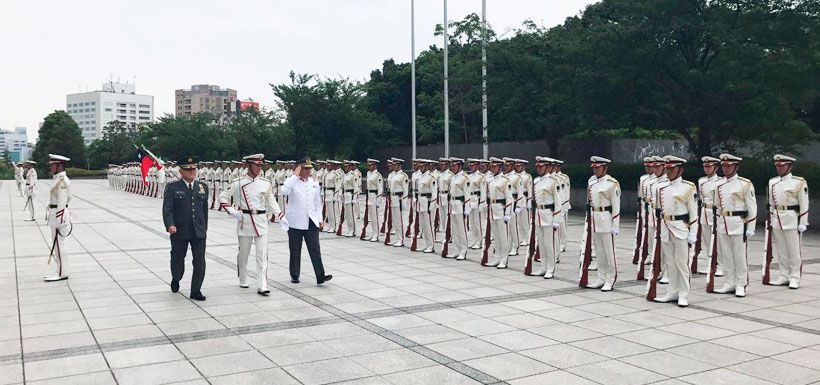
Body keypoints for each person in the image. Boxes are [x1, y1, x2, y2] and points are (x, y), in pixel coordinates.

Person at [218, 154, 282, 295]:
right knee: (244, 254)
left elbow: (272, 201)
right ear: (248, 165)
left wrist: (281, 216)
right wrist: (232, 211)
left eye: (260, 165)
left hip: (261, 221)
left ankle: (263, 284)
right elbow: (222, 197)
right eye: (256, 165)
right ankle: (243, 277)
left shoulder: (265, 183)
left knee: (262, 255)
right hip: (245, 221)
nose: (259, 168)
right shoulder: (238, 182)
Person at [653, 156, 698, 307]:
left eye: (672, 169)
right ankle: (672, 291)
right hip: (666, 228)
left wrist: (693, 233)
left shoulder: (688, 187)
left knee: (681, 263)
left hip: (680, 228)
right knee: (669, 262)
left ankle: (683, 293)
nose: (668, 172)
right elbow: (659, 211)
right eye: (667, 169)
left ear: (680, 170)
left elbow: (693, 213)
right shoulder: (661, 188)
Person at [162, 156, 208, 301]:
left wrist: (204, 227)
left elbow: (204, 210)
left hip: (198, 231)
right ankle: (176, 277)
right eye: (188, 170)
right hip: (179, 230)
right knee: (177, 258)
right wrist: (170, 224)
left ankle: (196, 290)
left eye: (194, 169)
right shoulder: (172, 187)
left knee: (199, 261)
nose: (191, 172)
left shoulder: (202, 187)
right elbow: (167, 209)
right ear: (181, 171)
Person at [281, 158, 333, 285]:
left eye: (309, 168)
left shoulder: (314, 183)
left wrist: (320, 219)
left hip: (311, 221)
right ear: (299, 169)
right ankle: (295, 275)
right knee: (295, 249)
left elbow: (317, 204)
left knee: (315, 248)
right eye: (305, 168)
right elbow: (284, 191)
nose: (308, 171)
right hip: (295, 221)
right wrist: (294, 175)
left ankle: (320, 275)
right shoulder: (292, 181)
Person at [712, 153, 756, 297]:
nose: (725, 168)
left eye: (729, 165)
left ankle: (741, 284)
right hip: (723, 223)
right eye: (723, 166)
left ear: (736, 167)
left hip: (738, 223)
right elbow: (717, 206)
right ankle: (729, 282)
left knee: (739, 256)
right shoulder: (718, 185)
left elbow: (752, 207)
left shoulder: (745, 184)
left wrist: (750, 227)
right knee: (726, 255)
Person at [767, 154, 809, 289]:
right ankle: (784, 275)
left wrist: (803, 222)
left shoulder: (799, 182)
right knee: (781, 249)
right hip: (777, 218)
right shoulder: (772, 182)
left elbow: (804, 203)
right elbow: (771, 204)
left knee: (794, 250)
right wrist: (772, 217)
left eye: (782, 165)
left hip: (792, 218)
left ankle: (794, 277)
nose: (779, 168)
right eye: (777, 166)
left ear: (789, 166)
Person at [584, 156, 621, 291]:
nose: (595, 170)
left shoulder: (612, 183)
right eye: (594, 168)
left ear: (605, 168)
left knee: (608, 252)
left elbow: (616, 206)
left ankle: (610, 279)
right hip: (595, 219)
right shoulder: (592, 183)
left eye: (598, 168)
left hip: (606, 220)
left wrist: (615, 225)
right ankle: (601, 277)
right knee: (599, 252)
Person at [530, 156, 562, 278]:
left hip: (549, 215)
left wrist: (556, 220)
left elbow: (558, 202)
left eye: (541, 167)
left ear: (548, 167)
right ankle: (543, 267)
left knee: (549, 244)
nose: (539, 169)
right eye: (538, 167)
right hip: (539, 215)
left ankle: (550, 268)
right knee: (541, 244)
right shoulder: (536, 181)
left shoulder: (554, 182)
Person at [44, 154, 72, 282]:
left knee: (59, 244)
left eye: (52, 165)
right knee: (58, 245)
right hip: (55, 213)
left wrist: (59, 220)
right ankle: (61, 269)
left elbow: (62, 201)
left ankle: (62, 273)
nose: (50, 167)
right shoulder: (58, 178)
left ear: (59, 165)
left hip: (59, 215)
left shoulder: (61, 180)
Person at [696, 156, 723, 275]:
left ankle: (721, 266)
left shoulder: (720, 181)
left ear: (716, 168)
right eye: (705, 167)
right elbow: (700, 199)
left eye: (709, 166)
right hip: (704, 213)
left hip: (715, 214)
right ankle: (710, 263)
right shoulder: (701, 181)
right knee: (707, 242)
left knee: (718, 242)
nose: (706, 169)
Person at [443, 158, 470, 260]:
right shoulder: (453, 178)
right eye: (452, 166)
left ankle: (463, 250)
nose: (452, 167)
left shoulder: (464, 178)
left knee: (461, 229)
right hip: (453, 204)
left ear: (459, 166)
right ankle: (457, 249)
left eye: (454, 165)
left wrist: (467, 208)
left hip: (460, 205)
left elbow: (467, 195)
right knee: (454, 229)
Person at [387, 158, 409, 247]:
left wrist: (404, 203)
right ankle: (397, 238)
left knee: (400, 221)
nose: (393, 166)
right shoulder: (393, 175)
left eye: (395, 164)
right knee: (395, 221)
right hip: (394, 199)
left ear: (399, 165)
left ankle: (401, 240)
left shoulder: (403, 176)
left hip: (400, 200)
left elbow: (405, 191)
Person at [362, 159, 383, 242]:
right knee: (371, 217)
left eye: (370, 165)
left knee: (375, 217)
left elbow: (380, 189)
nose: (369, 167)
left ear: (375, 165)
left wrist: (378, 201)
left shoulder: (378, 175)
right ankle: (372, 233)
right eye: (368, 165)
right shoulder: (368, 174)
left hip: (374, 196)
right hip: (369, 195)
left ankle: (376, 235)